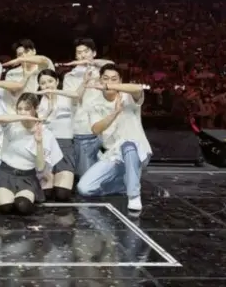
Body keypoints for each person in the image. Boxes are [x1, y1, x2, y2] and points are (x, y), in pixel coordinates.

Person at [76, 64, 151, 213]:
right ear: (100, 80)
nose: (109, 82)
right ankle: (125, 184)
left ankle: (134, 195)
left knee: (128, 144)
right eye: (105, 79)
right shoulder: (94, 103)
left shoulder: (128, 96)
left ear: (120, 81)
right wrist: (115, 113)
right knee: (84, 188)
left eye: (114, 79)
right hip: (112, 155)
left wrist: (110, 85)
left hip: (135, 151)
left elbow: (138, 89)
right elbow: (96, 129)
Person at [0, 93, 63, 215]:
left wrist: (39, 142)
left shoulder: (44, 132)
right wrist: (23, 117)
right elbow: (0, 118)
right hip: (6, 173)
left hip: (27, 177)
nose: (23, 112)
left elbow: (40, 167)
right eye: (20, 109)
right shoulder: (12, 125)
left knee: (22, 206)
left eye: (27, 109)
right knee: (6, 208)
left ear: (35, 109)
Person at [59, 38, 111, 176]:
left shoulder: (103, 71)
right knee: (86, 176)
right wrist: (84, 82)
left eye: (86, 52)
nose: (82, 55)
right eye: (79, 53)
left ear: (94, 53)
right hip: (84, 128)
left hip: (107, 124)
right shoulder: (69, 76)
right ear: (76, 56)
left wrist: (91, 63)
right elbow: (73, 99)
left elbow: (112, 64)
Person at [35, 69, 89, 201]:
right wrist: (48, 110)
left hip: (64, 146)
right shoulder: (37, 101)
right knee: (46, 195)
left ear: (57, 81)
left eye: (50, 81)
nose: (47, 85)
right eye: (43, 83)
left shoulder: (66, 98)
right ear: (39, 86)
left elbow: (77, 95)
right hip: (45, 148)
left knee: (62, 195)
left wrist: (85, 82)